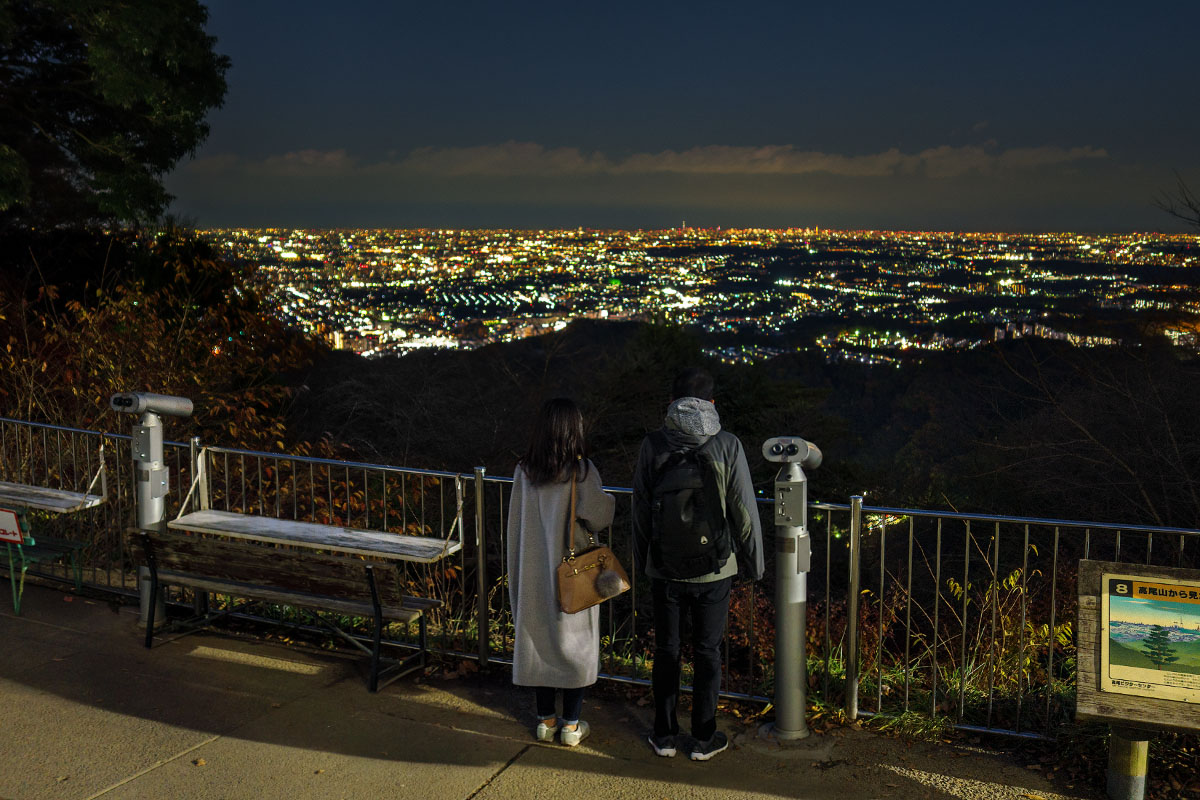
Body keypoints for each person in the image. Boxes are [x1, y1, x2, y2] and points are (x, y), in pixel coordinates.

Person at [632, 367, 764, 761]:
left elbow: (640, 510)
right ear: (712, 404)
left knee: (667, 650)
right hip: (715, 568)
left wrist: (642, 563)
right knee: (707, 652)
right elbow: (743, 509)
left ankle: (665, 735)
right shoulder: (727, 444)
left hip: (665, 569)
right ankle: (704, 738)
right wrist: (755, 564)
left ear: (671, 403)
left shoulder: (653, 445)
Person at [507, 397, 616, 747]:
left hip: (533, 568)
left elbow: (515, 522)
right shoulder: (582, 471)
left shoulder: (524, 471)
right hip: (574, 571)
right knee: (576, 643)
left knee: (539, 639)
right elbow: (599, 515)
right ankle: (570, 725)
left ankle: (544, 720)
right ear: (574, 431)